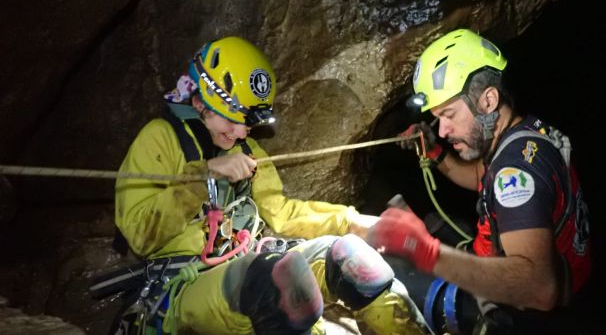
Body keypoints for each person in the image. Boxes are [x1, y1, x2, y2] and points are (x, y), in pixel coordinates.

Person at [109, 36, 427, 334]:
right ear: (202, 101)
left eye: (248, 122)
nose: (243, 132)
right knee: (274, 280)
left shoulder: (244, 150)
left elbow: (281, 212)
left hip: (246, 265)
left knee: (353, 259)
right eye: (233, 119)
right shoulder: (160, 138)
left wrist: (355, 222)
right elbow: (140, 235)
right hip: (186, 287)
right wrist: (201, 176)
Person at [367, 28, 591, 335]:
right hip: (556, 277)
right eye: (437, 118)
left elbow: (540, 290)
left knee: (389, 276)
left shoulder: (516, 171)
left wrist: (426, 252)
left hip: (523, 312)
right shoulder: (523, 134)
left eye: (449, 114)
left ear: (488, 101)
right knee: (432, 222)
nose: (442, 130)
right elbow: (481, 179)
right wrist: (434, 152)